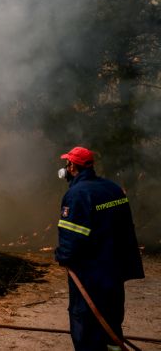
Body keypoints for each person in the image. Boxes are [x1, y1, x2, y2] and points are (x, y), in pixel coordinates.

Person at [55, 146, 144, 351]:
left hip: (89, 273)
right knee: (111, 321)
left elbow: (73, 237)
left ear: (72, 167)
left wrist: (62, 255)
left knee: (85, 324)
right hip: (114, 271)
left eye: (67, 164)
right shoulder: (113, 189)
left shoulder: (77, 194)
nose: (66, 168)